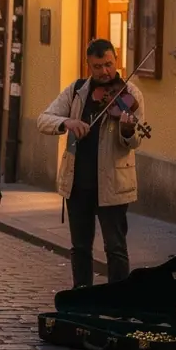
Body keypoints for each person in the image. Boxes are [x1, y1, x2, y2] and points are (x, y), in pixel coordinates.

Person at [36, 37, 145, 288]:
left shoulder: (130, 94)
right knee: (80, 247)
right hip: (78, 184)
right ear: (89, 66)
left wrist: (128, 131)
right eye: (98, 67)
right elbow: (44, 119)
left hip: (113, 184)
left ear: (115, 60)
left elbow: (134, 142)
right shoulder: (77, 91)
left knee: (115, 248)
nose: (105, 72)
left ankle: (118, 303)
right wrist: (67, 123)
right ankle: (82, 299)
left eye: (108, 64)